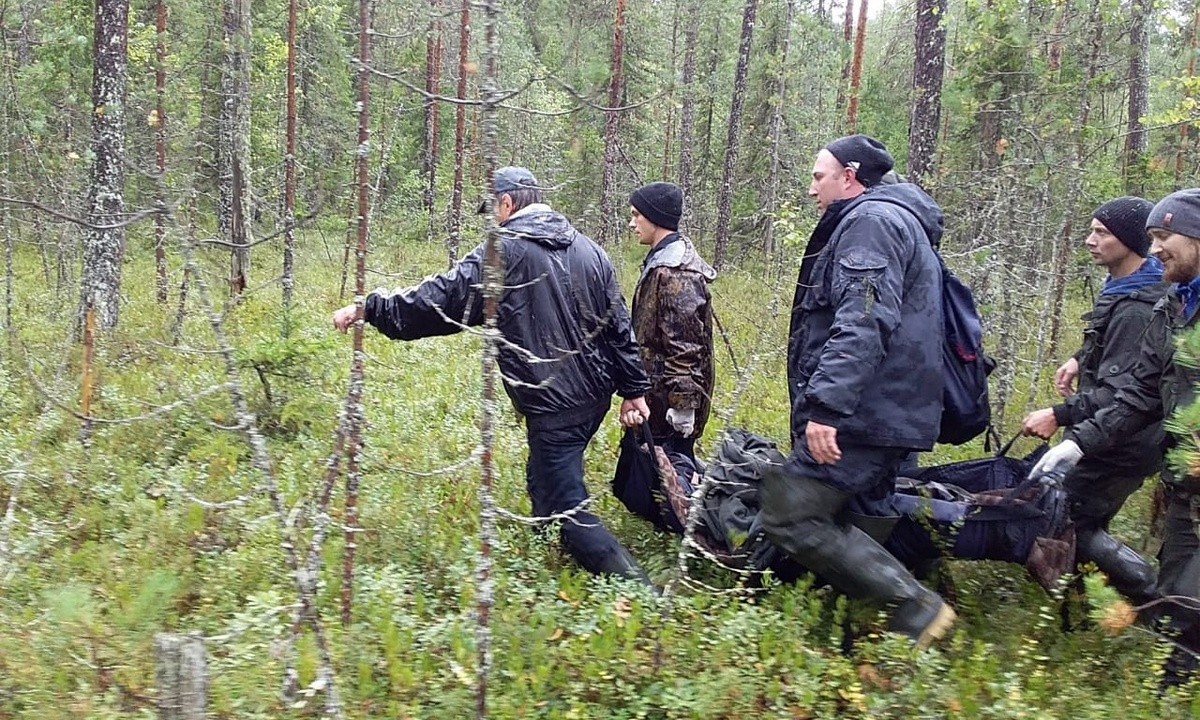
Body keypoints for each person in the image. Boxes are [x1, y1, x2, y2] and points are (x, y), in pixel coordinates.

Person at [332, 166, 655, 586]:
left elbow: (442, 300)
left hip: (555, 403)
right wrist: (633, 390)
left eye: (494, 211)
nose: (493, 220)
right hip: (594, 398)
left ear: (507, 203)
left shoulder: (504, 252)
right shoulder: (590, 250)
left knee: (565, 507)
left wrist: (371, 308)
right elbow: (620, 328)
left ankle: (643, 595)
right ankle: (546, 567)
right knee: (545, 477)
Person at [758, 134, 955, 647]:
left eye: (818, 176)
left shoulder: (871, 222)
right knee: (861, 513)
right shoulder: (896, 221)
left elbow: (863, 321)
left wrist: (826, 406)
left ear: (849, 175)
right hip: (890, 410)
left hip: (865, 413)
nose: (810, 189)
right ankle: (861, 631)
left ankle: (915, 607)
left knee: (790, 512)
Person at [1030, 188, 1200, 689]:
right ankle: (1174, 695)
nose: (1156, 249)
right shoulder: (1174, 304)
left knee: (1189, 599)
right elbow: (1140, 390)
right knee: (1175, 599)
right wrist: (1076, 442)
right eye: (1151, 237)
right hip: (1186, 483)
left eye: (1165, 236)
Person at [1021, 197, 1168, 610]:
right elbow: (1118, 354)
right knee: (1072, 520)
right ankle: (1081, 617)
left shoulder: (1140, 306)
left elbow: (1123, 392)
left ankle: (1157, 600)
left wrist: (1058, 415)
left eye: (1102, 233)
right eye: (1091, 230)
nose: (1090, 240)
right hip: (1111, 435)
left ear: (1130, 241)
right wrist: (1079, 358)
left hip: (1124, 442)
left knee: (1069, 521)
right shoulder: (1125, 288)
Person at [625, 181, 716, 460]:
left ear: (655, 218)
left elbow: (686, 346)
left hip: (667, 409)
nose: (632, 224)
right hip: (655, 401)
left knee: (672, 486)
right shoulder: (661, 261)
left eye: (636, 215)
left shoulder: (676, 272)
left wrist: (683, 405)